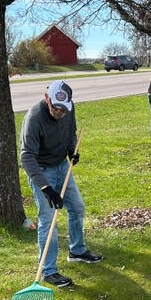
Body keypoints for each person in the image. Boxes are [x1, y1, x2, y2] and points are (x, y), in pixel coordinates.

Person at [19, 80, 103, 289]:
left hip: (61, 166)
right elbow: (26, 157)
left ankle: (77, 250)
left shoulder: (68, 109)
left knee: (77, 207)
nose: (60, 113)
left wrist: (72, 149)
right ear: (47, 98)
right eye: (56, 108)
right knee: (49, 221)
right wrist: (46, 188)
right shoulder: (34, 118)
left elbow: (70, 132)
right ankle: (48, 271)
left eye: (64, 109)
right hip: (41, 170)